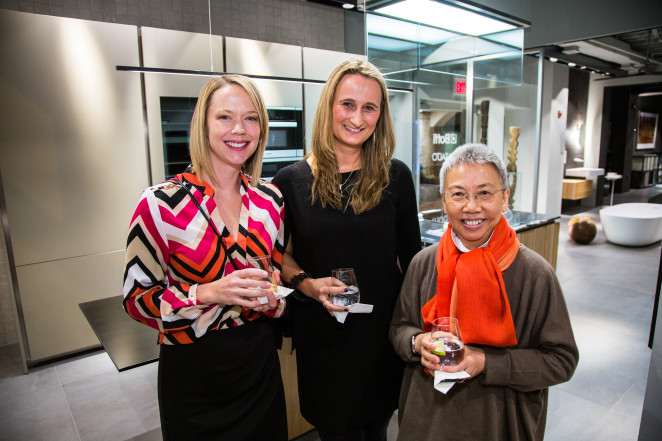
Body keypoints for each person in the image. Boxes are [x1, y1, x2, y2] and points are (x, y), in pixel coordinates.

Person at [122, 75, 288, 441]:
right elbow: (136, 302)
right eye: (225, 117)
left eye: (251, 118)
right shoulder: (160, 205)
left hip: (258, 366)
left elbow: (273, 277)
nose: (239, 130)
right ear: (204, 125)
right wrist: (208, 293)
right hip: (194, 378)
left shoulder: (270, 200)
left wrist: (274, 296)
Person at [272, 58, 421, 441]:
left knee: (378, 430)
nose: (357, 117)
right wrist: (308, 285)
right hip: (325, 344)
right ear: (329, 107)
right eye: (348, 104)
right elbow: (280, 256)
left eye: (369, 107)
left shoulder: (396, 176)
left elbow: (414, 261)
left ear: (380, 116)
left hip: (381, 340)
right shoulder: (290, 182)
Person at [389, 143, 579, 441]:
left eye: (484, 193)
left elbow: (561, 361)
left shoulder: (535, 274)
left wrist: (487, 363)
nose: (471, 206)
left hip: (500, 422)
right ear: (444, 200)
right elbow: (399, 328)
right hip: (426, 421)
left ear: (505, 198)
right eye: (459, 194)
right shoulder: (424, 263)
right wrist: (418, 342)